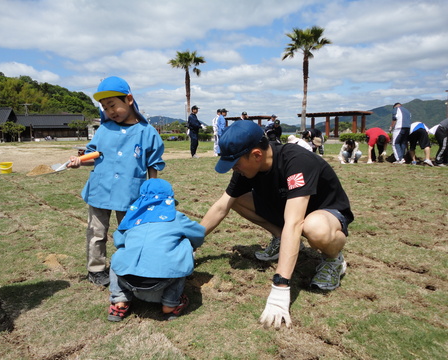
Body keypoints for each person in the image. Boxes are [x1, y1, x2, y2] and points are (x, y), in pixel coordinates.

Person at [200, 121, 353, 329]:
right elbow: (221, 207)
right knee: (236, 199)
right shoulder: (248, 169)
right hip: (291, 212)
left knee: (313, 228)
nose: (234, 169)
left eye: (235, 163)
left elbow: (295, 221)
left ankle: (334, 259)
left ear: (256, 155)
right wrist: (192, 242)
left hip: (326, 214)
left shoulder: (297, 161)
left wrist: (280, 287)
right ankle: (284, 240)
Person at [67, 76, 165, 286]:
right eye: (104, 107)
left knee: (130, 233)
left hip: (131, 193)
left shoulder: (147, 132)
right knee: (96, 233)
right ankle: (96, 269)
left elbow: (153, 163)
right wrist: (79, 161)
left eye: (112, 105)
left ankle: (128, 266)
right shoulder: (103, 130)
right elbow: (91, 155)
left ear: (129, 100)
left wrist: (151, 191)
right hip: (100, 191)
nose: (109, 111)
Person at [107, 179, 205, 322]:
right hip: (163, 279)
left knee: (119, 256)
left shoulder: (130, 219)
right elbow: (199, 234)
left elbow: (118, 242)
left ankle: (119, 301)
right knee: (184, 245)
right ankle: (170, 304)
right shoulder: (176, 217)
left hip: (127, 278)